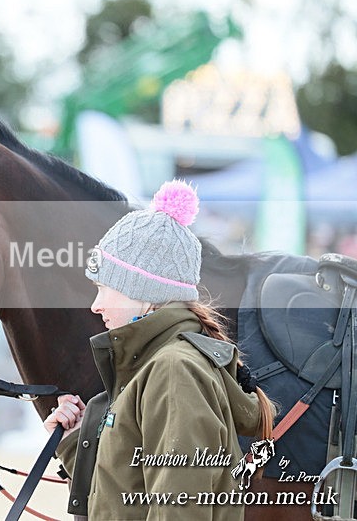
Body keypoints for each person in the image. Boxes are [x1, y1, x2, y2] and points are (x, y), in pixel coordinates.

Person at [45, 180, 276, 521]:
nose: (95, 305)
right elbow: (122, 497)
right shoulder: (154, 365)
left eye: (104, 288)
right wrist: (73, 440)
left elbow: (181, 510)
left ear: (145, 293)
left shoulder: (174, 371)